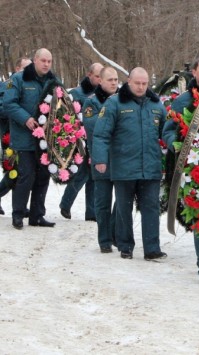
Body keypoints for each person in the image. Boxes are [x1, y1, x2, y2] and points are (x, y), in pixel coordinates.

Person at [93, 67, 167, 260]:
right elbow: (101, 134)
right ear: (128, 82)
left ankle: (152, 248)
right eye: (137, 83)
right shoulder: (114, 104)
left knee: (151, 208)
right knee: (124, 208)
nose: (141, 87)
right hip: (123, 166)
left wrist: (175, 144)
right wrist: (100, 159)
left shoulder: (157, 105)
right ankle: (125, 245)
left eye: (144, 84)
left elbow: (166, 131)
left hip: (150, 167)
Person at [163, 56, 199, 286]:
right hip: (192, 167)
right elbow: (167, 130)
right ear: (194, 73)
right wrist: (177, 145)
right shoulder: (183, 101)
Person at [4, 48, 59, 229]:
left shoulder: (53, 81)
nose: (46, 64)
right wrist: (25, 119)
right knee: (26, 176)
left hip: (46, 140)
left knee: (43, 176)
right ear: (35, 60)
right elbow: (8, 104)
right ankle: (18, 214)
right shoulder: (19, 80)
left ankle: (37, 215)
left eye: (49, 61)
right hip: (25, 138)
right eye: (43, 60)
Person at [59, 62, 104, 221]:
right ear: (89, 75)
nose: (100, 80)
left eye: (101, 76)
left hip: (98, 140)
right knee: (82, 174)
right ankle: (65, 203)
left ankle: (91, 212)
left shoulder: (104, 93)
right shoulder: (77, 93)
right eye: (97, 76)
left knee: (93, 177)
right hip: (81, 141)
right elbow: (68, 116)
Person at [82, 67, 119, 253]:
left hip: (121, 158)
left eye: (116, 79)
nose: (114, 83)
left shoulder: (123, 100)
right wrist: (116, 120)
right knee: (103, 202)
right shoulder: (91, 102)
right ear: (101, 81)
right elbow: (93, 126)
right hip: (101, 157)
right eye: (110, 79)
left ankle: (115, 234)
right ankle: (104, 239)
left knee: (121, 201)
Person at [0, 57, 32, 215]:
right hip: (8, 134)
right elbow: (3, 108)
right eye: (25, 68)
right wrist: (19, 113)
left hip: (25, 135)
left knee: (23, 171)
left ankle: (20, 205)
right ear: (17, 68)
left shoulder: (30, 85)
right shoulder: (7, 86)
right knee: (13, 171)